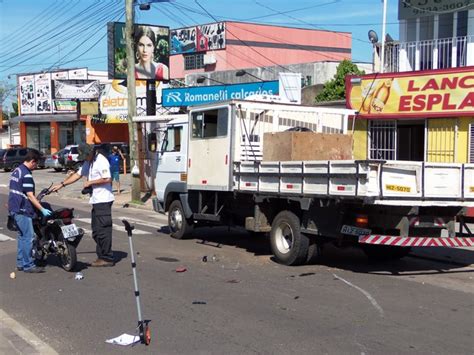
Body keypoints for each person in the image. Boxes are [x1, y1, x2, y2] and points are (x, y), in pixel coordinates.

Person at [52, 143, 115, 267]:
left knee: (103, 231)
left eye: (85, 156)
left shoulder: (101, 160)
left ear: (91, 152)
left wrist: (90, 182)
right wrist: (62, 184)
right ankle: (102, 256)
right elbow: (77, 174)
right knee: (96, 231)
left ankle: (107, 258)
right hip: (96, 200)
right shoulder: (89, 161)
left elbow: (108, 178)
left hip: (103, 200)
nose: (84, 159)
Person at [8, 148, 52, 273]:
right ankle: (28, 265)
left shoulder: (17, 170)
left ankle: (21, 263)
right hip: (22, 209)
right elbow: (30, 196)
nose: (36, 166)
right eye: (36, 163)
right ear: (32, 161)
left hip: (14, 207)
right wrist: (42, 209)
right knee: (28, 237)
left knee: (22, 236)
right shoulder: (26, 174)